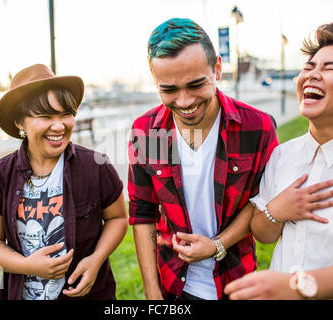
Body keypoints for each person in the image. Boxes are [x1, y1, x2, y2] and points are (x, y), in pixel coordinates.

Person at [127, 17, 280, 300]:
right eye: (169, 90)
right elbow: (143, 214)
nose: (184, 102)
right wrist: (151, 291)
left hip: (236, 281)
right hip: (172, 286)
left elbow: (261, 204)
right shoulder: (147, 132)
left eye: (196, 84)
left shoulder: (257, 127)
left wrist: (216, 245)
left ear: (218, 68)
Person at [225, 21, 333, 300]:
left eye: (328, 68)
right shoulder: (283, 154)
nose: (312, 75)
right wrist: (276, 210)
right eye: (309, 67)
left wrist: (297, 286)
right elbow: (263, 234)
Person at [0, 64, 128, 300]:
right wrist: (28, 266)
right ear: (19, 122)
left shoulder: (97, 166)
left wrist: (95, 260)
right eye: (45, 116)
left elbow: (118, 218)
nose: (58, 126)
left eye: (65, 114)